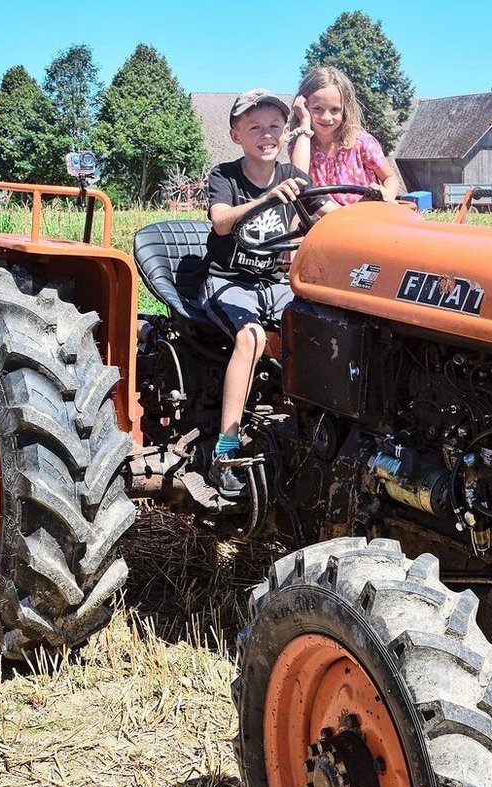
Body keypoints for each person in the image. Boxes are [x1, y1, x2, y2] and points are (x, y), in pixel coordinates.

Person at [202, 88, 335, 497]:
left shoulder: (295, 179)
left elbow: (328, 216)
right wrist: (264, 201)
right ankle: (224, 449)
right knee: (253, 336)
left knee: (321, 329)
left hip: (275, 283)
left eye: (274, 127)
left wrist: (377, 211)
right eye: (255, 127)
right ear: (235, 134)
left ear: (285, 131)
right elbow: (222, 222)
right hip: (229, 281)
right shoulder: (224, 176)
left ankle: (318, 435)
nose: (266, 135)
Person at [288, 67, 400, 204]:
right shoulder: (300, 144)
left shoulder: (361, 143)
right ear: (304, 106)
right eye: (317, 109)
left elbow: (390, 177)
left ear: (345, 109)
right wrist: (304, 122)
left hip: (364, 217)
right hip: (323, 221)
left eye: (335, 110)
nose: (326, 117)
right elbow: (299, 181)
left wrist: (387, 197)